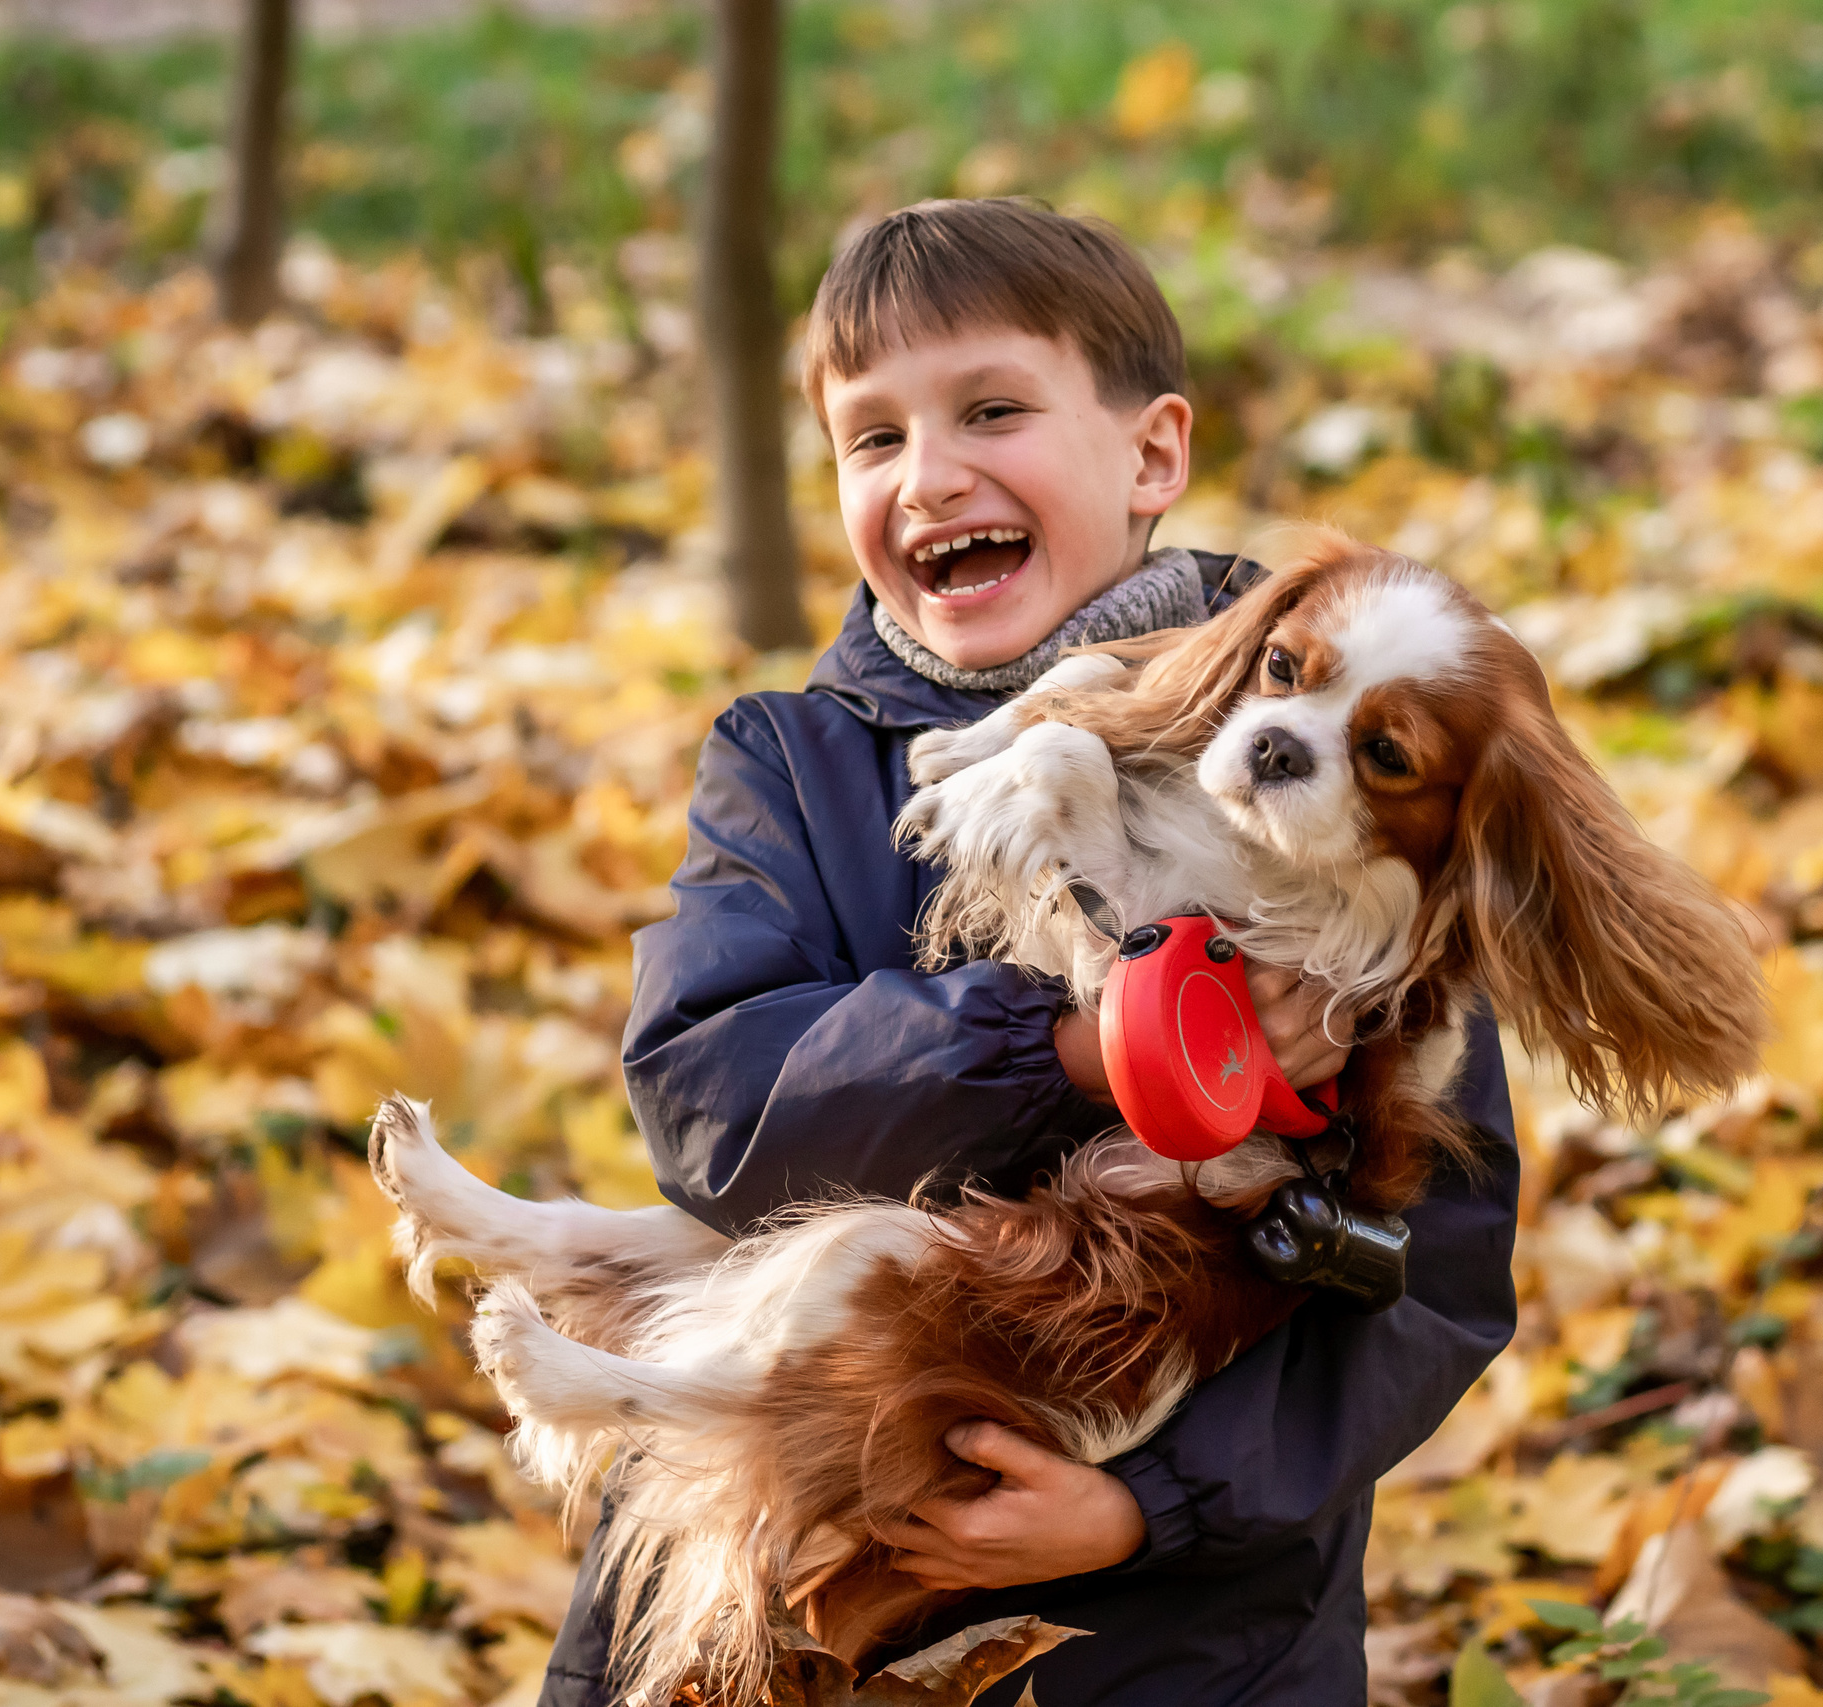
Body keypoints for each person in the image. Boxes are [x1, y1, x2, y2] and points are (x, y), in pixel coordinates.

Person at [538, 198, 1520, 1706]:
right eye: (871, 439)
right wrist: (1077, 1046)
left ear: (1152, 455)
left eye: (991, 409)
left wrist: (1150, 1504)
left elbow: (1432, 1278)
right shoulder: (795, 770)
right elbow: (716, 1111)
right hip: (784, 1570)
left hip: (1169, 1647)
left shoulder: (1342, 800)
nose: (930, 476)